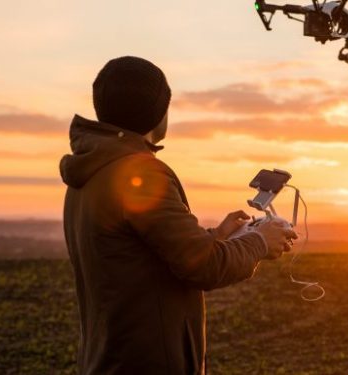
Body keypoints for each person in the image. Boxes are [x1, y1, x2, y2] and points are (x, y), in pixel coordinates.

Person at [59, 56, 297, 375]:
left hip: (108, 359)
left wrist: (216, 235)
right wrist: (259, 242)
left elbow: (147, 253)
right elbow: (204, 266)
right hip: (149, 363)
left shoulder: (89, 172)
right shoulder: (140, 173)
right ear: (157, 113)